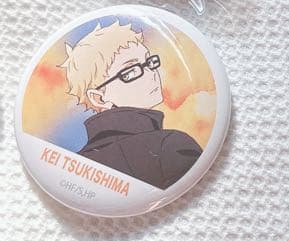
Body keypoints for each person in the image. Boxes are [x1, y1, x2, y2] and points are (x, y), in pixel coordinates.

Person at [59, 21, 202, 189]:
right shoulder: (170, 146)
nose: (151, 73)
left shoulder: (75, 166)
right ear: (99, 98)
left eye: (148, 62)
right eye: (131, 71)